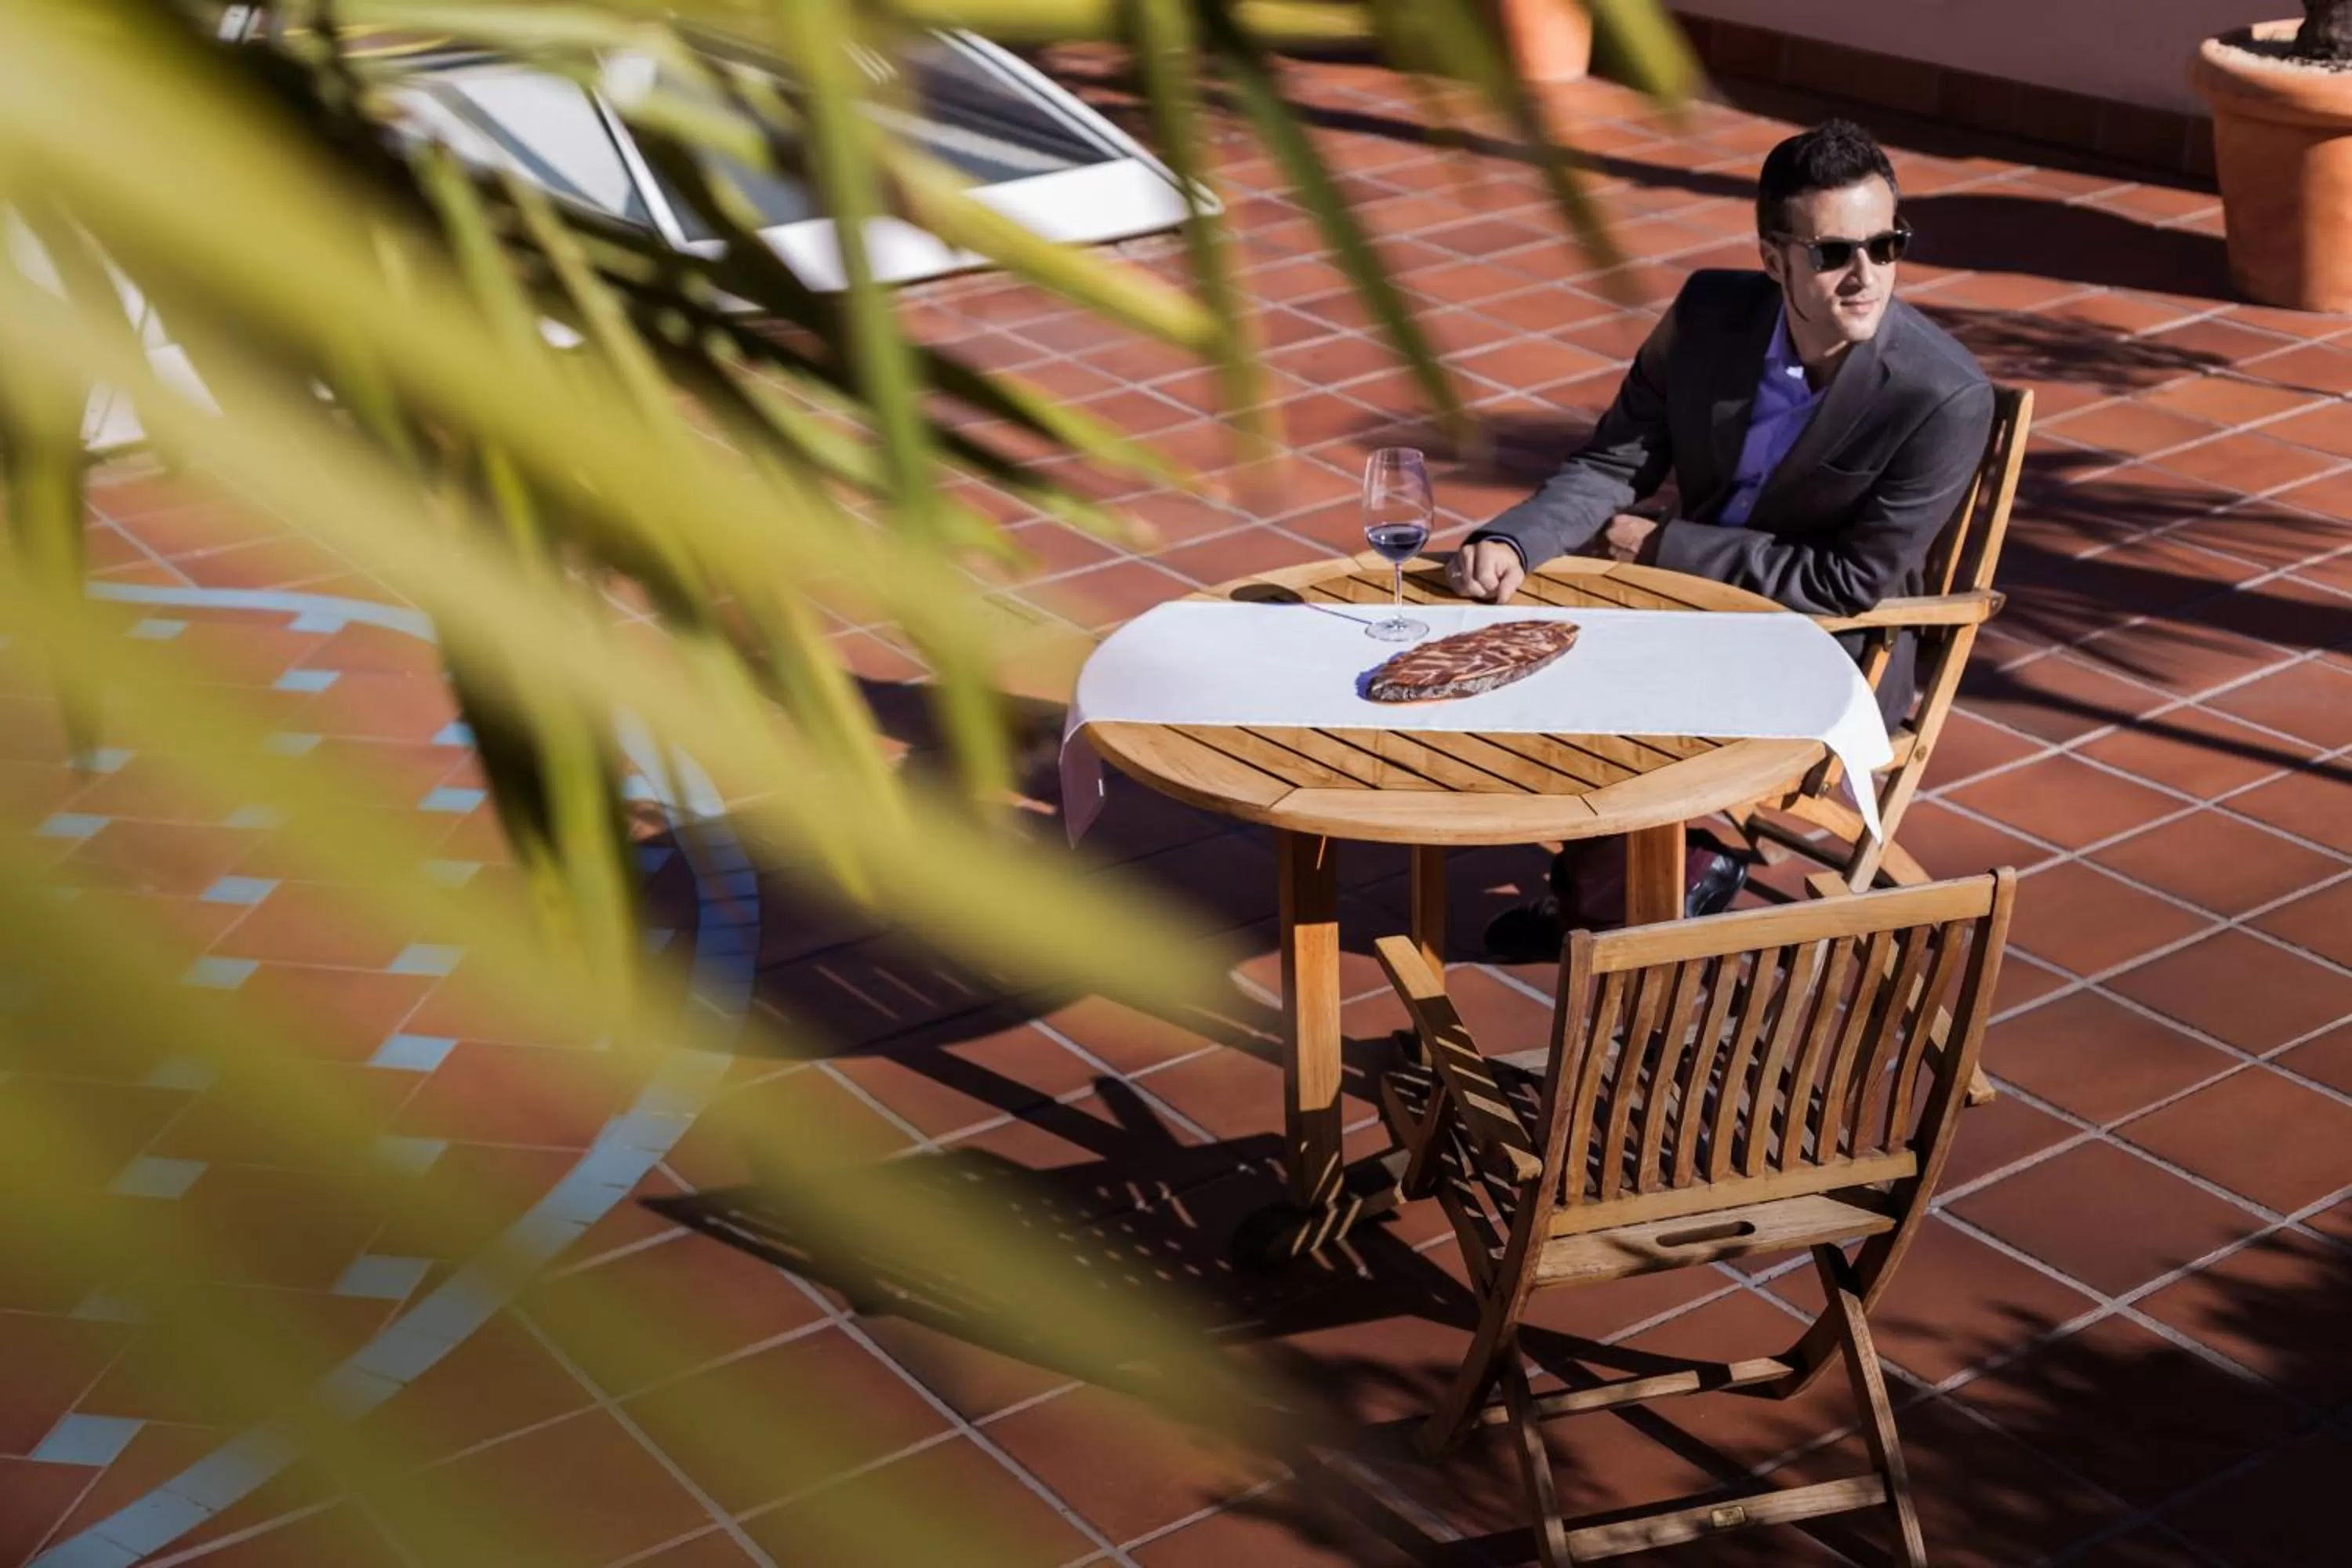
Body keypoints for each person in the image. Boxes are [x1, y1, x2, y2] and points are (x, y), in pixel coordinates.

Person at [1449, 118, 1994, 962]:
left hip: (1832, 649)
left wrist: (1663, 547)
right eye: (1834, 253)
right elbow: (1616, 459)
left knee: (1604, 690)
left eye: (1887, 245)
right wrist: (1515, 541)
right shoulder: (1708, 313)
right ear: (1774, 259)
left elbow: (1850, 582)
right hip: (1686, 611)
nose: (1866, 276)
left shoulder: (1941, 396)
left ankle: (1618, 901)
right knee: (1512, 651)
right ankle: (1654, 872)